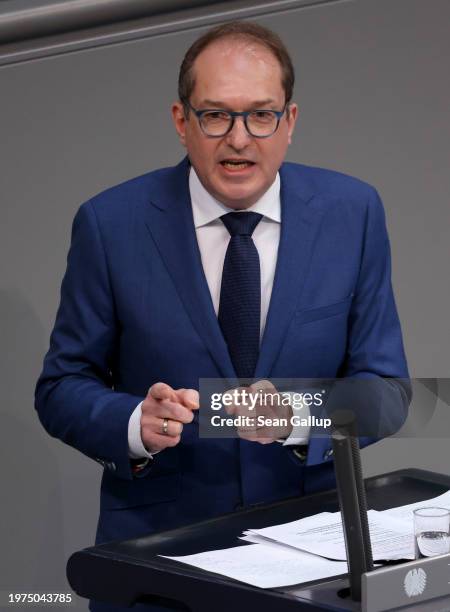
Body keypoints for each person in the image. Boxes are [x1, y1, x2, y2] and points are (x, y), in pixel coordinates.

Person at [35, 20, 409, 612]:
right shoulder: (111, 225)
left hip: (313, 561)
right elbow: (60, 388)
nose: (239, 139)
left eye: (260, 115)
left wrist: (296, 413)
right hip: (159, 568)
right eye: (216, 115)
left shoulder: (353, 213)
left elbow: (388, 394)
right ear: (182, 122)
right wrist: (136, 422)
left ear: (289, 122)